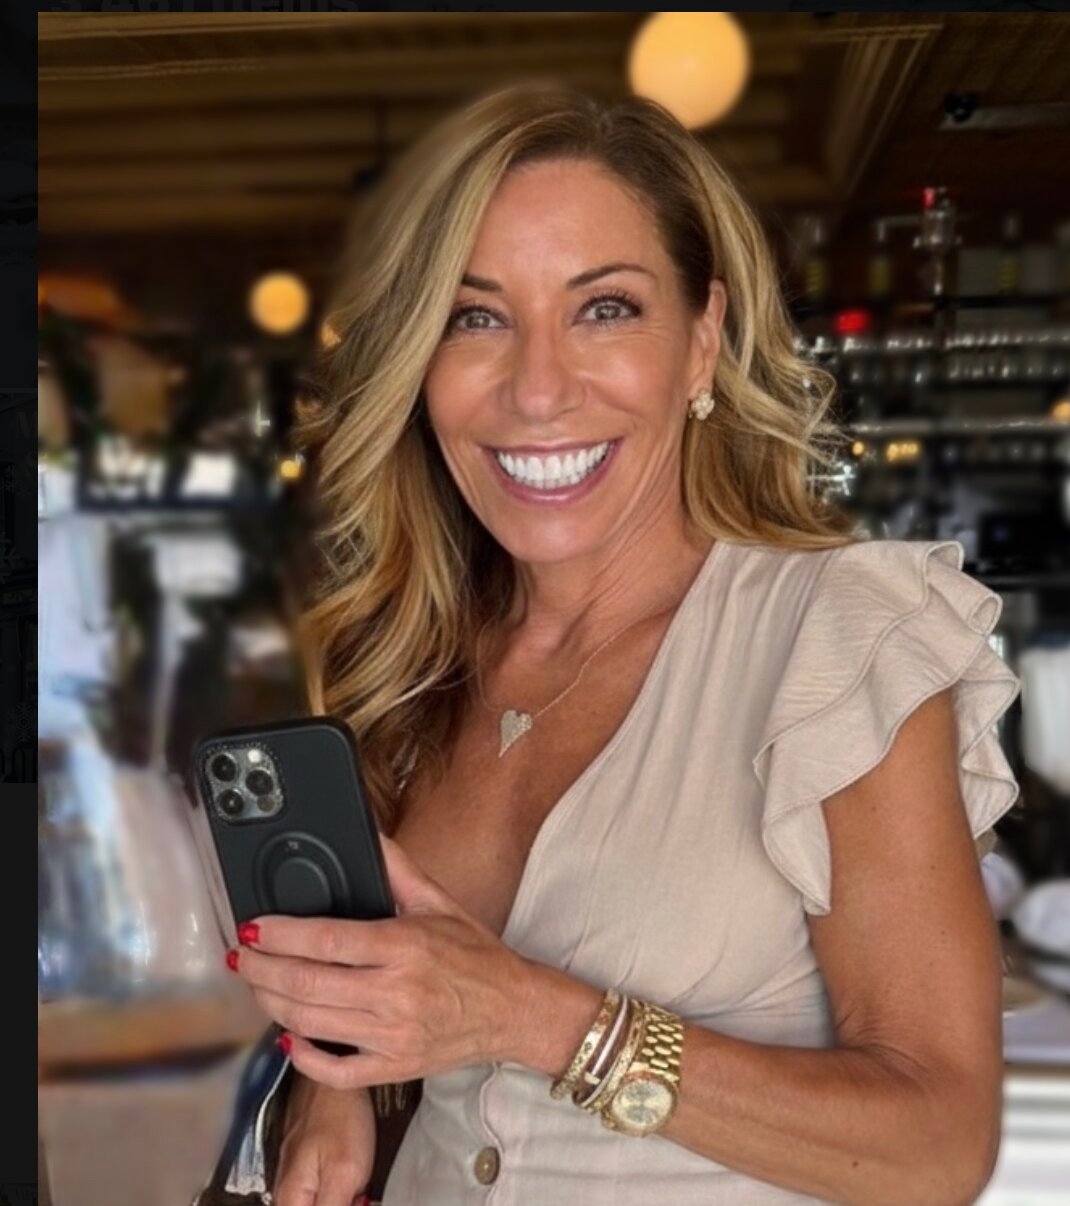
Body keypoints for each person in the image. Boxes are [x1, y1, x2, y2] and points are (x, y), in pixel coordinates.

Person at [227, 84, 1021, 1206]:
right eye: (474, 317)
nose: (538, 389)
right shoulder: (415, 659)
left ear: (701, 341)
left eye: (604, 309)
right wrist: (334, 1080)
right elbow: (409, 985)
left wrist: (532, 1016)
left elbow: (936, 1147)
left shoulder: (836, 639)